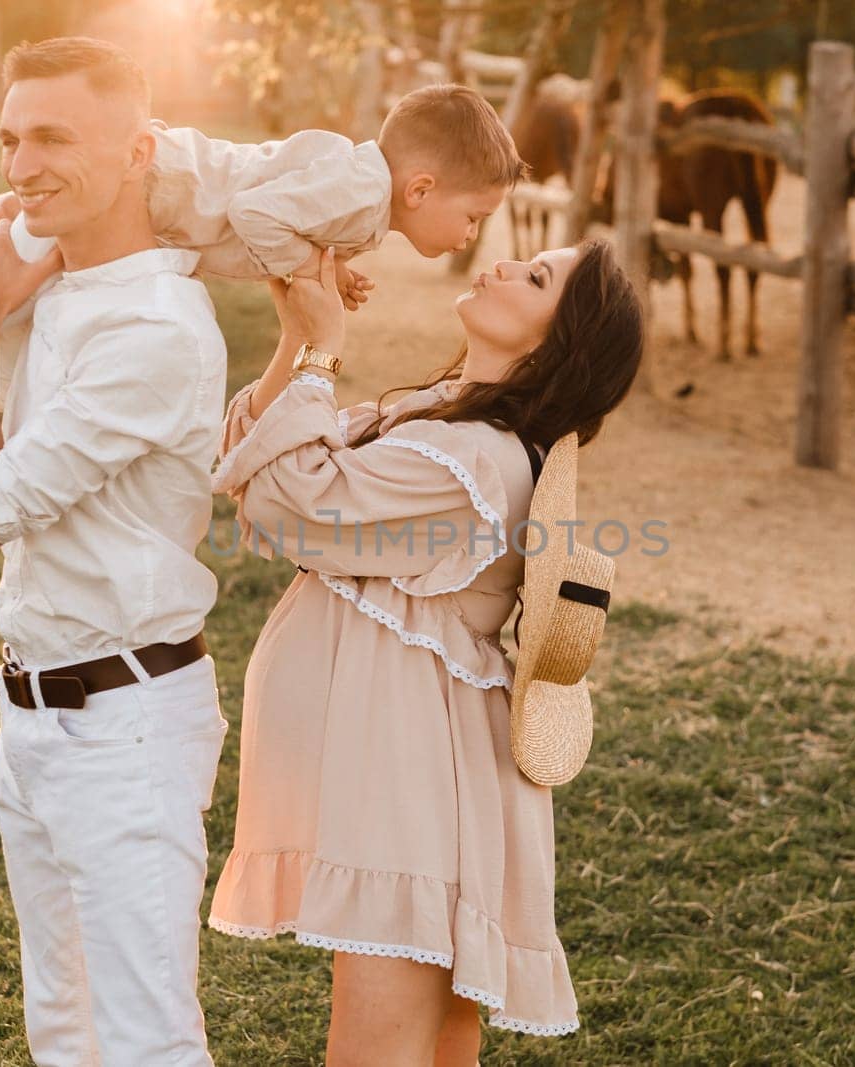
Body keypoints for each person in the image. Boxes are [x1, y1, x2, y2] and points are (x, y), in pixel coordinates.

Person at [206, 240, 643, 1062]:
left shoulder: (476, 459)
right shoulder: (449, 416)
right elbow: (252, 459)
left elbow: (293, 501)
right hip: (403, 761)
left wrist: (325, 349)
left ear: (556, 344)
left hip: (408, 775)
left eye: (537, 277)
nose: (507, 264)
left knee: (377, 1048)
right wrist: (296, 336)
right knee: (433, 1045)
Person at [0, 38, 229, 1065]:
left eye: (52, 137)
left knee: (146, 1042)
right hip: (33, 716)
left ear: (139, 150)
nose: (19, 167)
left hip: (127, 727)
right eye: (10, 139)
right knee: (63, 1025)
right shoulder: (56, 290)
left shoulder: (154, 328)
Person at [0, 77, 524, 387]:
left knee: (8, 296)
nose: (468, 237)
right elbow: (256, 217)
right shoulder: (360, 193)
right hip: (154, 189)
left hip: (161, 204)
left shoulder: (361, 198)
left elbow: (276, 214)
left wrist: (328, 266)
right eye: (473, 217)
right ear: (420, 187)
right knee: (0, 287)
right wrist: (304, 267)